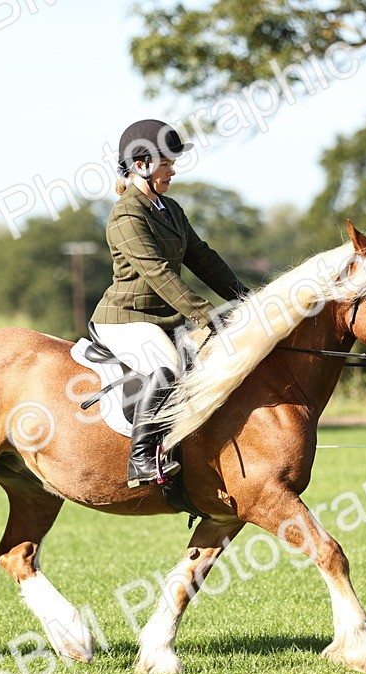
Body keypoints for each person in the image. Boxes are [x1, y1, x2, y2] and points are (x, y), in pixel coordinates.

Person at [90, 119, 249, 488]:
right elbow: (158, 273)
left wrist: (245, 298)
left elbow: (203, 258)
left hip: (164, 318)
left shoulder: (170, 209)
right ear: (142, 164)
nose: (173, 170)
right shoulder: (126, 215)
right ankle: (141, 459)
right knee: (167, 365)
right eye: (167, 163)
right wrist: (206, 315)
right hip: (127, 319)